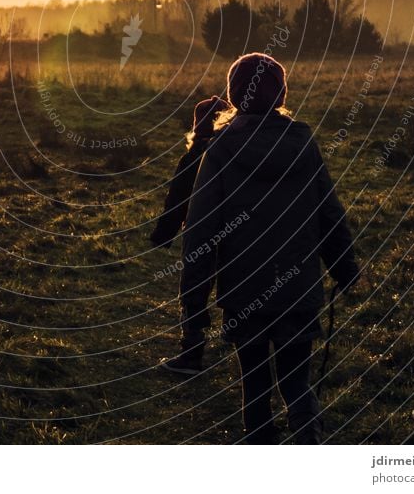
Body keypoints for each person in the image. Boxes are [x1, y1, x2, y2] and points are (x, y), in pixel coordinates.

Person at [179, 52, 360, 444]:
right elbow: (329, 211)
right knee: (298, 382)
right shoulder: (304, 143)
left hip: (244, 292)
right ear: (281, 94)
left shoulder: (221, 149)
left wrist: (194, 304)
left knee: (255, 383)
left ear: (233, 96)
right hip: (298, 290)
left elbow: (200, 229)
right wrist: (345, 269)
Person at [151, 95, 230, 375]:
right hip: (238, 234)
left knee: (194, 292)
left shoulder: (193, 156)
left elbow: (176, 200)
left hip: (200, 234)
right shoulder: (238, 153)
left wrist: (163, 234)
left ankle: (192, 353)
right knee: (235, 288)